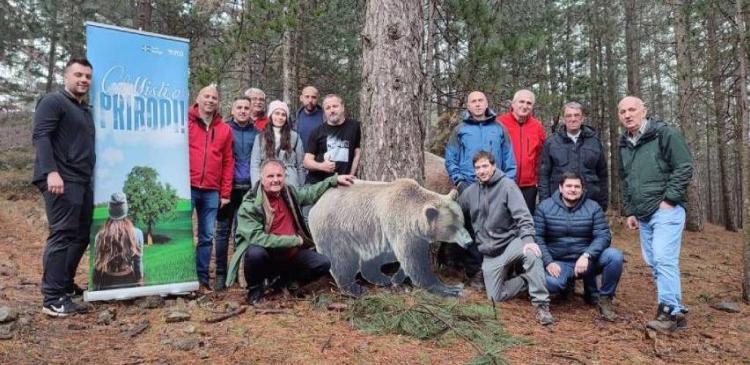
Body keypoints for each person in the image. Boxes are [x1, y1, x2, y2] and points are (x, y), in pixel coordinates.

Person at [229, 159, 355, 304]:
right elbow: (257, 238)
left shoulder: (288, 193)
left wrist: (333, 180)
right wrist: (293, 241)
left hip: (291, 256)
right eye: (270, 176)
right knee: (254, 253)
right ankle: (255, 290)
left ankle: (283, 282)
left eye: (279, 176)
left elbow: (309, 193)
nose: (275, 180)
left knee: (323, 263)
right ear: (262, 179)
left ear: (284, 177)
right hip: (268, 257)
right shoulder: (249, 205)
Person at [618, 96, 693, 333]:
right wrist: (630, 210)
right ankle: (675, 313)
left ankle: (669, 311)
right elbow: (626, 179)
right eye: (622, 111)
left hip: (665, 209)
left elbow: (684, 166)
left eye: (632, 110)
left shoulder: (665, 134)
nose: (627, 115)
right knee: (654, 261)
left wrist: (670, 199)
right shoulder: (624, 143)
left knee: (663, 258)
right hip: (643, 213)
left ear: (644, 111)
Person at [459, 151, 554, 326]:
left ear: (494, 166)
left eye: (485, 166)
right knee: (495, 296)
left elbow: (524, 217)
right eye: (478, 167)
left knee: (532, 253)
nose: (482, 171)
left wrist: (527, 240)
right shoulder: (470, 193)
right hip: (490, 253)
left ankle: (541, 305)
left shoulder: (508, 186)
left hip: (511, 244)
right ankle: (526, 279)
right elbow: (456, 212)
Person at [33, 57, 95, 317]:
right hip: (61, 180)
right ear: (66, 76)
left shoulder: (83, 109)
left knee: (81, 235)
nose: (83, 80)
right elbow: (42, 136)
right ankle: (52, 298)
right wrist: (51, 172)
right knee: (62, 234)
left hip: (81, 180)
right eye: (78, 75)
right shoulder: (53, 102)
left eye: (87, 77)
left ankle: (65, 285)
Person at [534, 172, 623, 321]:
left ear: (582, 189)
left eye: (577, 186)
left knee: (615, 256)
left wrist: (587, 255)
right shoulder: (545, 207)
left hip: (588, 261)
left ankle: (605, 299)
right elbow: (537, 237)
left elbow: (603, 236)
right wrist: (548, 261)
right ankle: (565, 287)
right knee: (553, 284)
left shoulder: (593, 207)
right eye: (569, 186)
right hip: (560, 261)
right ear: (560, 188)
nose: (573, 189)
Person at [188, 84, 234, 291]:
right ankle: (181, 277)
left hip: (211, 191)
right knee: (182, 234)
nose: (210, 100)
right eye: (206, 96)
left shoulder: (224, 130)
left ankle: (202, 279)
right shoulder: (185, 123)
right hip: (187, 186)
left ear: (218, 102)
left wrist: (225, 193)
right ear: (198, 99)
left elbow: (228, 162)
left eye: (214, 98)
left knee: (207, 236)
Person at [214, 96, 259, 291]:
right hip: (227, 188)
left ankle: (242, 273)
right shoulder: (224, 130)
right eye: (239, 107)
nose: (242, 111)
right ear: (232, 110)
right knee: (223, 231)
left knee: (242, 233)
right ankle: (220, 274)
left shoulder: (257, 134)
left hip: (248, 189)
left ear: (251, 111)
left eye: (246, 108)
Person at [538, 102, 608, 211]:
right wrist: (545, 203)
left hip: (590, 203)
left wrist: (603, 203)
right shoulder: (551, 143)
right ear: (563, 119)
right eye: (569, 115)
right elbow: (544, 175)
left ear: (582, 118)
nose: (573, 119)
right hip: (558, 204)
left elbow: (602, 174)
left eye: (576, 115)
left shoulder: (594, 142)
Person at [445, 91, 516, 193]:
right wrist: (459, 181)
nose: (477, 104)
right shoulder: (459, 130)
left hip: (496, 186)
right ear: (468, 106)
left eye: (480, 100)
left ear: (486, 104)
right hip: (469, 186)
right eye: (473, 101)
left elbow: (509, 158)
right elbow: (450, 159)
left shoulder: (499, 128)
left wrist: (508, 183)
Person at [497, 89, 546, 214]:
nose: (524, 106)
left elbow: (541, 156)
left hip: (528, 187)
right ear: (513, 104)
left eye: (529, 103)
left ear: (532, 107)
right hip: (503, 183)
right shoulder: (499, 123)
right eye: (521, 102)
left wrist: (537, 180)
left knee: (525, 221)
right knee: (503, 220)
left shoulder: (537, 127)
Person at [303, 94, 361, 183]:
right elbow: (306, 162)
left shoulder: (354, 126)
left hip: (344, 182)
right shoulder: (317, 131)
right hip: (320, 183)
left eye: (335, 106)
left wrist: (351, 175)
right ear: (324, 112)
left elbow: (357, 153)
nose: (332, 110)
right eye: (328, 108)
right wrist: (321, 166)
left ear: (342, 107)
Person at [92, 192, 144, 290]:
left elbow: (97, 265)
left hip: (107, 282)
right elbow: (138, 263)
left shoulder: (100, 235)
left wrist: (95, 284)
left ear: (109, 209)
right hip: (129, 282)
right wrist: (139, 281)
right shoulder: (137, 233)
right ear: (125, 209)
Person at [251, 100, 306, 188]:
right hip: (267, 182)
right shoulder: (260, 137)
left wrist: (301, 187)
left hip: (290, 182)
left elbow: (301, 166)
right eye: (276, 113)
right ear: (271, 115)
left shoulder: (294, 137)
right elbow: (255, 164)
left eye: (283, 115)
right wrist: (256, 187)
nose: (280, 117)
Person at [294, 86, 324, 154]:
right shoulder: (294, 118)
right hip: (300, 161)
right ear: (301, 98)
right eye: (307, 97)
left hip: (320, 161)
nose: (310, 100)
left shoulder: (325, 117)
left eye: (314, 97)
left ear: (317, 99)